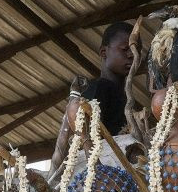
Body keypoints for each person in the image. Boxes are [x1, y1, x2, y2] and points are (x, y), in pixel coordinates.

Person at [47, 21, 138, 181]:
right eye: (125, 49)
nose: (132, 54)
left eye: (136, 49)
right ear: (104, 52)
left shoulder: (125, 97)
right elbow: (89, 141)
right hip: (101, 177)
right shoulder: (99, 88)